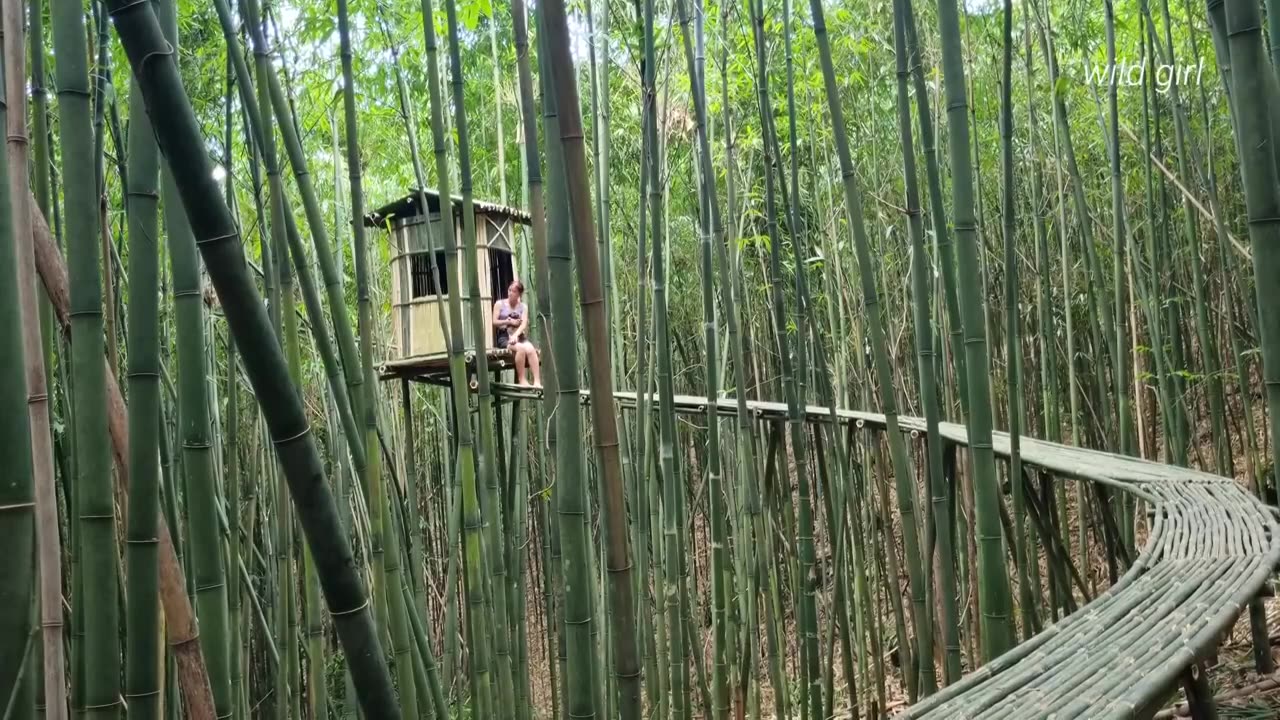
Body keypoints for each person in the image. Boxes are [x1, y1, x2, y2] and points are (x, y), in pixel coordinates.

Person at [493, 281, 542, 387]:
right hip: (504, 336)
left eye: (514, 291)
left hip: (519, 335)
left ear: (519, 294)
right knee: (520, 349)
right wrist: (508, 321)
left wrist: (516, 335)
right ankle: (522, 379)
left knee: (531, 349)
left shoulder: (523, 307)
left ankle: (537, 381)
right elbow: (494, 322)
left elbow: (523, 324)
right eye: (509, 290)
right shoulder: (499, 304)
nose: (510, 293)